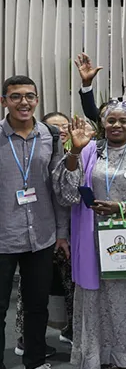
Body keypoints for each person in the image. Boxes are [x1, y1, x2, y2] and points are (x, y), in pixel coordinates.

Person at [53, 101, 126, 369]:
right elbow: (67, 192)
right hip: (92, 238)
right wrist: (74, 151)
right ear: (103, 124)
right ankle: (103, 356)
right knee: (97, 298)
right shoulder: (90, 150)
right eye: (111, 120)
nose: (116, 125)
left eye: (123, 121)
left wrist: (120, 208)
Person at [0, 76, 68, 369]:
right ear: (4, 101)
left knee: (37, 305)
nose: (24, 102)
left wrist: (61, 233)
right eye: (16, 97)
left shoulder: (49, 136)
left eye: (30, 96)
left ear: (37, 99)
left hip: (40, 235)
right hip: (3, 237)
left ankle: (35, 364)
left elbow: (57, 188)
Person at [14, 113, 73, 355]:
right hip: (36, 229)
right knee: (31, 290)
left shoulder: (79, 150)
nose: (60, 131)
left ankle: (68, 330)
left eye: (64, 126)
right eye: (55, 127)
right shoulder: (33, 150)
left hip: (69, 228)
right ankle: (24, 340)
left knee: (68, 285)